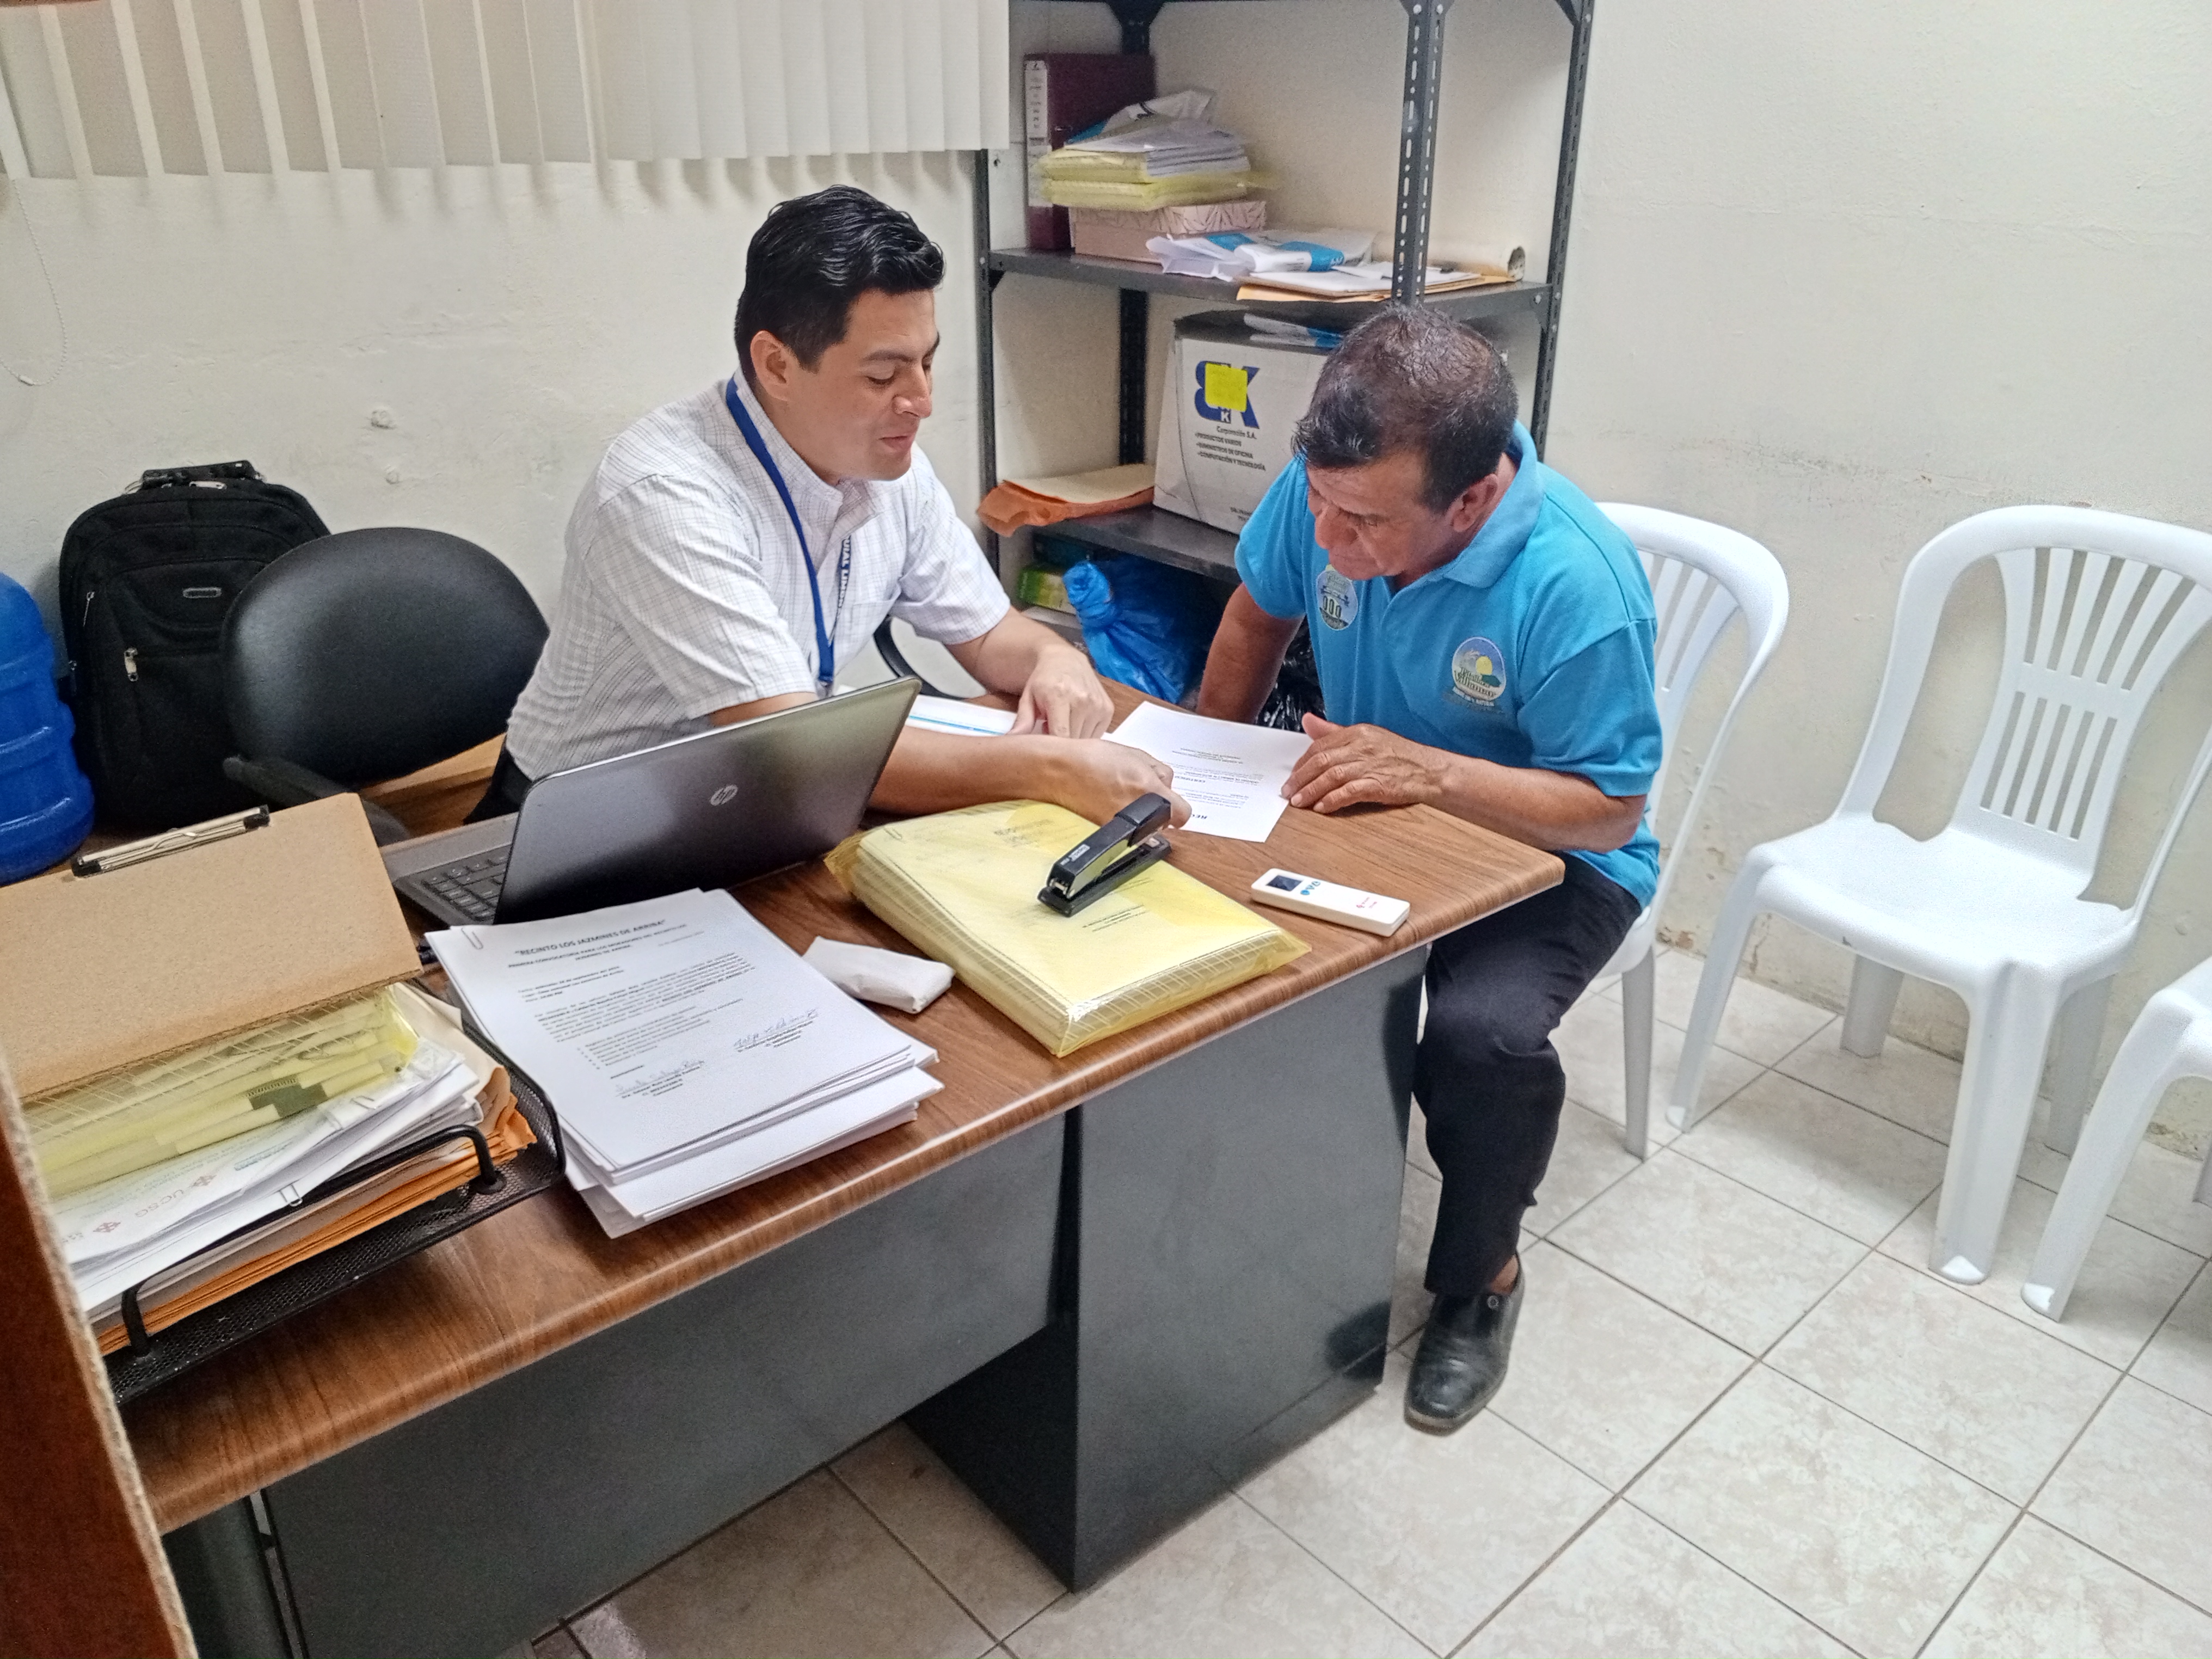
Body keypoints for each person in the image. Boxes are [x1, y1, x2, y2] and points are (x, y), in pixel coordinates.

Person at [1196, 307, 1661, 1433]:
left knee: (1476, 1034)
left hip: (1548, 854)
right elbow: (1254, 620)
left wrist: (1434, 773)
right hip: (1369, 802)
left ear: (1472, 500)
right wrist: (1199, 774)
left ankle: (1479, 1277)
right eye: (1319, 504)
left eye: (1362, 523)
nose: (1328, 539)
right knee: (1223, 941)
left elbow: (1609, 807)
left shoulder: (1576, 586)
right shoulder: (1329, 487)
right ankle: (1269, 1212)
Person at [492, 185, 1185, 826]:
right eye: (883, 375)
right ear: (777, 366)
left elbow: (986, 634)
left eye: (926, 362)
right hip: (582, 827)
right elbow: (797, 746)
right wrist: (1051, 769)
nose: (921, 402)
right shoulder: (664, 495)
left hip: (753, 800)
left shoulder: (887, 466)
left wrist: (1054, 660)